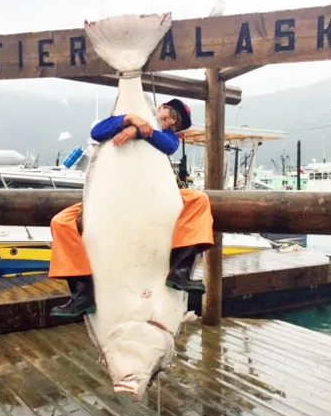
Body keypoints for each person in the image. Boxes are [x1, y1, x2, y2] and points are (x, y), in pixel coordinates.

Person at [48, 98, 214, 318]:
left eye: (176, 122)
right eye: (171, 114)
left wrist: (138, 132)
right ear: (161, 107)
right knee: (61, 222)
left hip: (154, 195)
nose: (171, 121)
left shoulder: (168, 138)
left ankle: (180, 270)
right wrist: (130, 119)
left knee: (198, 200)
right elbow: (97, 132)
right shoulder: (122, 123)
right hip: (111, 195)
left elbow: (168, 145)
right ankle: (82, 293)